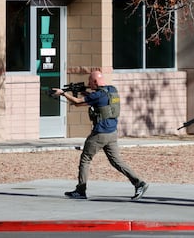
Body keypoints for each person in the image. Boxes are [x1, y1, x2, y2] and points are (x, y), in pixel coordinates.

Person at [53, 71, 149, 200]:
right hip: (112, 133)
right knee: (116, 161)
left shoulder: (97, 95)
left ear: (95, 82)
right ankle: (139, 183)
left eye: (90, 82)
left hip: (100, 133)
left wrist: (63, 93)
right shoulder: (112, 90)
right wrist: (86, 93)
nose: (88, 84)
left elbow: (77, 102)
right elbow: (99, 100)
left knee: (85, 158)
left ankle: (81, 190)